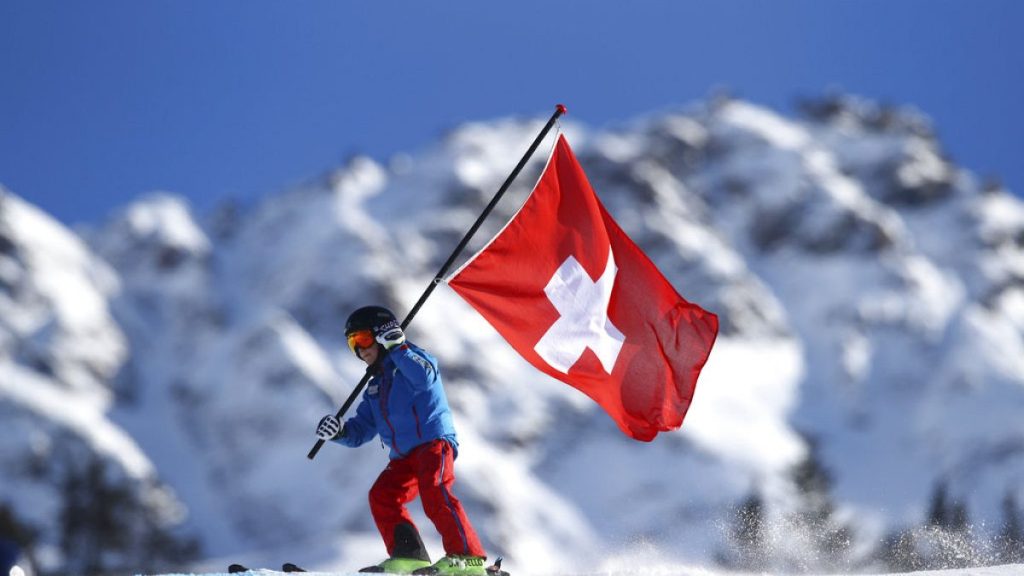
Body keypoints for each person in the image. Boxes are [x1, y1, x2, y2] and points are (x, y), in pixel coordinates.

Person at [316, 305, 489, 576]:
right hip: (404, 457)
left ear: (381, 334)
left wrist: (399, 347)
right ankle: (409, 554)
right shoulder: (375, 385)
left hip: (433, 444)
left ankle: (468, 557)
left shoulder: (414, 359)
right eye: (352, 344)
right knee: (383, 495)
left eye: (362, 339)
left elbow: (425, 378)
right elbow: (362, 430)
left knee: (435, 491)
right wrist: (339, 432)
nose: (360, 351)